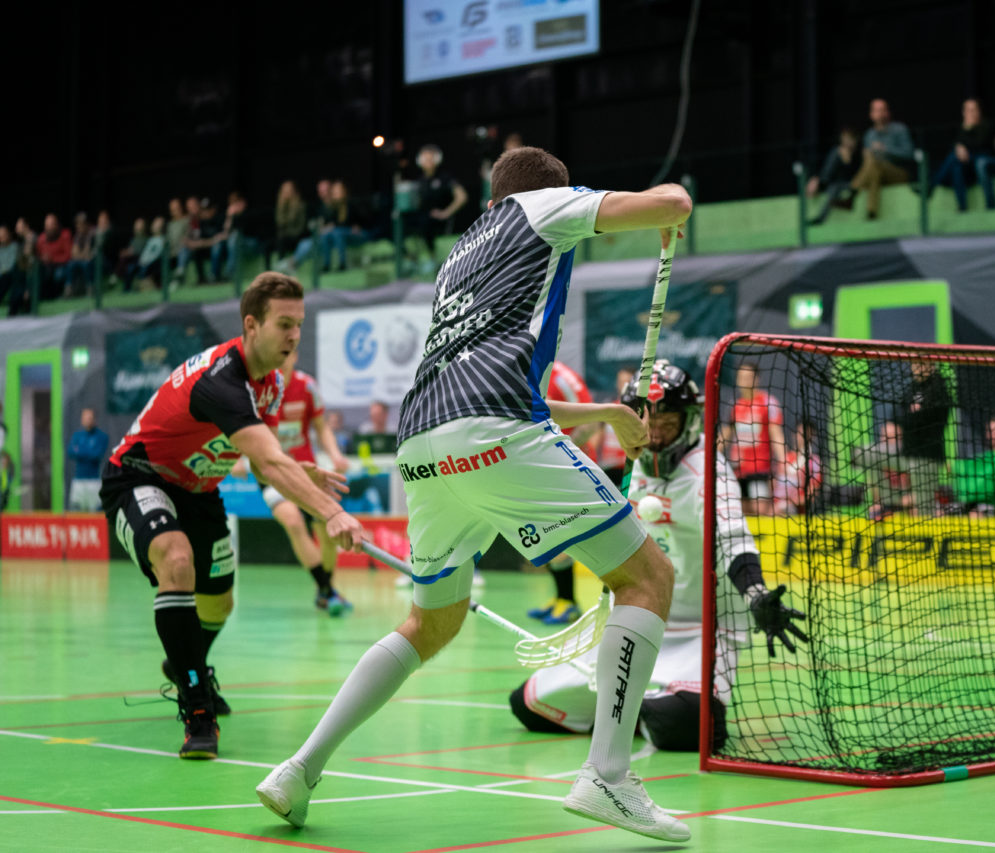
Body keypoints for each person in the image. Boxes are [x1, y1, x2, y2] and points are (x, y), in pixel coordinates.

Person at [256, 146, 694, 842]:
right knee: (648, 576)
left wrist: (609, 416)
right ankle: (607, 775)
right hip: (493, 432)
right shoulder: (544, 206)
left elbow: (508, 388)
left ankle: (298, 769)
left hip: (425, 446)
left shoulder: (463, 252)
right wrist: (670, 207)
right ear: (550, 192)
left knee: (430, 622)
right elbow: (670, 201)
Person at [100, 272, 366, 760]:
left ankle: (184, 659)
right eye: (284, 324)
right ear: (251, 324)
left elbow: (254, 451)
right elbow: (266, 461)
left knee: (218, 606)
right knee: (176, 562)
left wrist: (298, 469)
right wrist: (332, 513)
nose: (294, 336)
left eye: (299, 325)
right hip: (140, 476)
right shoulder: (221, 379)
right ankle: (196, 707)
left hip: (198, 488)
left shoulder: (272, 384)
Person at [511, 360, 807, 751]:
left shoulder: (708, 472)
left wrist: (756, 596)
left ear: (688, 421)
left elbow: (735, 541)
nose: (656, 434)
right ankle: (633, 703)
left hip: (702, 634)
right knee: (529, 705)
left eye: (668, 422)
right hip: (637, 623)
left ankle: (632, 706)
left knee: (684, 726)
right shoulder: (631, 468)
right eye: (648, 422)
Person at [232, 350, 354, 613]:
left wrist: (334, 454)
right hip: (271, 471)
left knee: (327, 533)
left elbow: (321, 427)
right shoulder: (257, 390)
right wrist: (235, 459)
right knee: (293, 523)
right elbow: (239, 427)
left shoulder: (307, 387)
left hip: (306, 471)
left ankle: (325, 590)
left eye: (286, 353)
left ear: (295, 356)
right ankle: (327, 590)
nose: (280, 358)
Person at [527, 361, 595, 626]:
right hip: (544, 466)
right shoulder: (526, 370)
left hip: (566, 466)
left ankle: (570, 602)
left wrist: (563, 449)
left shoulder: (563, 377)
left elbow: (589, 419)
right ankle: (561, 598)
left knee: (559, 534)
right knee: (546, 534)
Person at [723, 362, 786, 517]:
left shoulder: (768, 402)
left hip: (760, 469)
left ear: (757, 379)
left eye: (748, 377)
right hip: (737, 470)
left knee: (761, 511)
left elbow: (775, 433)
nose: (745, 381)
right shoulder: (734, 405)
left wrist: (784, 460)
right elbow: (724, 435)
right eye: (741, 377)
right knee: (741, 511)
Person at [895, 360, 953, 515]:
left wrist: (912, 414)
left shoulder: (938, 389)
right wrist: (911, 414)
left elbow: (923, 419)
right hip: (906, 452)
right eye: (915, 363)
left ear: (932, 366)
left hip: (926, 457)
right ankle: (890, 506)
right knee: (866, 455)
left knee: (923, 510)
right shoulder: (911, 388)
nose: (918, 367)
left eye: (923, 363)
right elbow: (899, 414)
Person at [849, 99, 914, 220]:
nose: (880, 113)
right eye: (876, 110)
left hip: (899, 173)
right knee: (873, 167)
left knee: (875, 165)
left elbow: (909, 154)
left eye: (882, 110)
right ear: (871, 114)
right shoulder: (869, 135)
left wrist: (885, 149)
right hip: (876, 174)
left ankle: (852, 190)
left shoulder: (899, 129)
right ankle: (872, 212)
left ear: (887, 112)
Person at [926, 99, 995, 212]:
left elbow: (980, 144)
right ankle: (962, 207)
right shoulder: (961, 128)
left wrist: (966, 135)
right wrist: (960, 148)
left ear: (979, 111)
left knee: (954, 157)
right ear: (963, 113)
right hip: (965, 167)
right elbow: (956, 144)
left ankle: (932, 185)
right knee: (955, 166)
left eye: (974, 110)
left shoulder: (986, 126)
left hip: (981, 163)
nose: (971, 113)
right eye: (968, 110)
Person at [417, 144, 468, 269]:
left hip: (442, 222)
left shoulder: (445, 178)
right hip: (423, 221)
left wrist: (446, 213)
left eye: (431, 159)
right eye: (425, 159)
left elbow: (462, 196)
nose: (428, 162)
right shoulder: (420, 181)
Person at [806, 127, 859, 225]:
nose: (846, 142)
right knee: (833, 187)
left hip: (853, 184)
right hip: (836, 184)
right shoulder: (837, 152)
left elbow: (857, 174)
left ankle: (820, 183)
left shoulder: (859, 153)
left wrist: (848, 161)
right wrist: (817, 179)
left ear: (854, 140)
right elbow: (829, 170)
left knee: (834, 187)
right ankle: (819, 183)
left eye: (849, 139)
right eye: (844, 139)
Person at [67, 407, 109, 512]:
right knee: (76, 512)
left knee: (95, 513)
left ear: (94, 419)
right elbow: (71, 452)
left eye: (89, 417)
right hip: (78, 481)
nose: (87, 420)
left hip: (94, 482)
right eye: (85, 417)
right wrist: (89, 451)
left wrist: (80, 450)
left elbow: (97, 455)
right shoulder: (77, 435)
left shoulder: (101, 436)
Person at [35, 213, 72, 301]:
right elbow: (38, 255)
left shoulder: (65, 235)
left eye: (52, 224)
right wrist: (42, 259)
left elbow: (68, 255)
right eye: (47, 225)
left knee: (58, 275)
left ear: (57, 225)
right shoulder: (41, 239)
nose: (50, 227)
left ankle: (57, 295)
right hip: (46, 267)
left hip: (62, 265)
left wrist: (52, 259)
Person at [274, 180, 308, 270]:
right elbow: (280, 222)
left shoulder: (300, 205)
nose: (286, 192)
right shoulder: (281, 206)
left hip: (298, 234)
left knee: (282, 237)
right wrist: (283, 205)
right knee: (279, 238)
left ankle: (287, 264)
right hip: (285, 235)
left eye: (288, 190)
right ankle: (278, 264)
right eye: (284, 190)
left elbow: (300, 226)